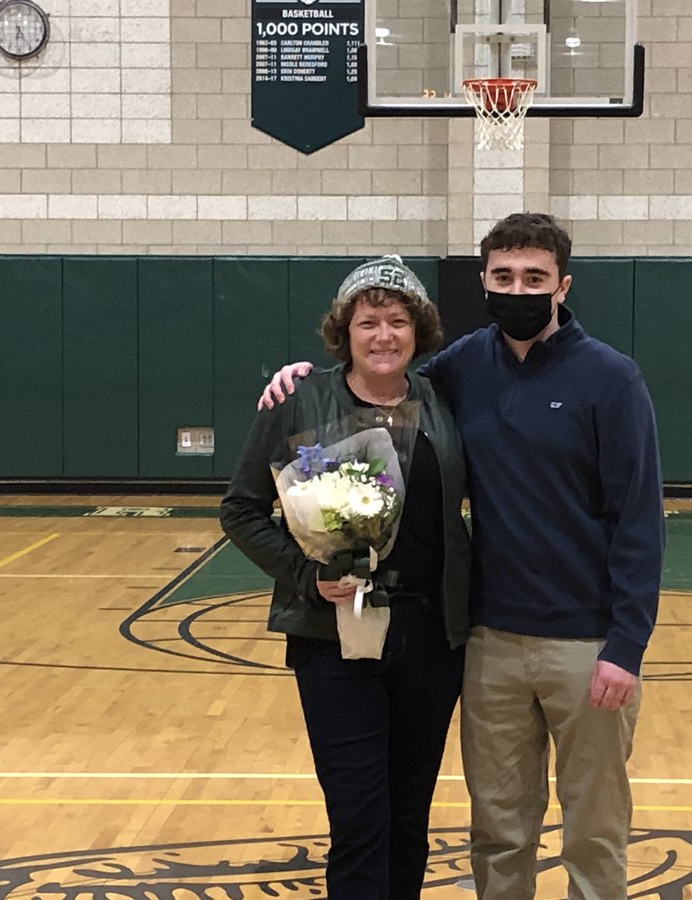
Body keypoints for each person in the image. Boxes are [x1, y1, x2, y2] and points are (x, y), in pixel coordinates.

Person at [258, 213, 665, 900]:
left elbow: (639, 520)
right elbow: (376, 374)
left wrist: (627, 644)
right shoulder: (460, 368)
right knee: (499, 828)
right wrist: (301, 379)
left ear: (563, 284)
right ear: (482, 281)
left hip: (588, 642)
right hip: (486, 639)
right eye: (503, 276)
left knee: (593, 831)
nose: (518, 289)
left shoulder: (611, 379)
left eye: (535, 278)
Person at [220, 255, 472, 900]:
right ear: (344, 331)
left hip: (429, 636)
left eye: (397, 321)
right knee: (359, 817)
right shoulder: (300, 399)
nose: (383, 335)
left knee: (409, 815)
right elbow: (241, 509)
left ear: (418, 331)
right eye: (368, 322)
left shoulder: (444, 400)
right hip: (332, 634)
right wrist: (307, 575)